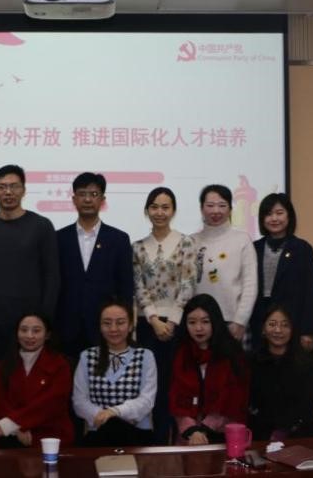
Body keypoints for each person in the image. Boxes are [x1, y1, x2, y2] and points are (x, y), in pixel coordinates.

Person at [0, 164, 59, 377]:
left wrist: (45, 320)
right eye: (2, 187)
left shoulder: (41, 226)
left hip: (29, 324)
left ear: (24, 190)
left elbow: (52, 276)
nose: (8, 192)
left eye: (14, 186)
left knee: (28, 381)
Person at [131, 187, 196, 444]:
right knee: (151, 386)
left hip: (177, 326)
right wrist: (153, 319)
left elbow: (188, 283)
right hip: (147, 325)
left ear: (173, 211)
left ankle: (177, 440)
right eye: (154, 207)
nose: (160, 212)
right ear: (147, 211)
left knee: (176, 383)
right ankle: (155, 442)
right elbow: (138, 286)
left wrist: (172, 320)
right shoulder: (137, 247)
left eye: (165, 207)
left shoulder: (186, 242)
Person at [56, 172, 133, 360]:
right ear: (74, 199)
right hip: (66, 328)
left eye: (94, 194)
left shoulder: (118, 239)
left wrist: (124, 325)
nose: (88, 199)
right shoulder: (58, 238)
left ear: (102, 200)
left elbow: (126, 287)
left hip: (106, 329)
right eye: (82, 194)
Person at [0, 313, 73, 448]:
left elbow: (53, 402)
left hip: (51, 435)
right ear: (16, 334)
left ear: (47, 335)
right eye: (24, 330)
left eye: (36, 331)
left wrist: (13, 423)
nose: (29, 336)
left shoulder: (60, 364)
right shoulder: (3, 366)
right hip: (11, 436)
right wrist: (16, 430)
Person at [72, 299, 157, 447]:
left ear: (131, 325)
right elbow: (79, 401)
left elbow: (147, 400)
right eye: (107, 323)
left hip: (137, 434)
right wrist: (105, 417)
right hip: (98, 432)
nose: (113, 328)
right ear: (100, 326)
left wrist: (115, 412)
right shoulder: (87, 356)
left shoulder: (146, 356)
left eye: (120, 322)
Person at [170, 294, 250, 445]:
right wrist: (193, 430)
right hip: (189, 436)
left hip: (224, 435)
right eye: (192, 322)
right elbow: (176, 400)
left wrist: (204, 429)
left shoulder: (232, 354)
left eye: (205, 322)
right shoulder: (181, 355)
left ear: (215, 321)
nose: (198, 328)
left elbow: (234, 401)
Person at [249, 193, 313, 352]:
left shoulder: (302, 249)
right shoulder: (253, 248)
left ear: (289, 216)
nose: (274, 218)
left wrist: (308, 330)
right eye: (268, 214)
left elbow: (309, 293)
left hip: (292, 322)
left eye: (279, 213)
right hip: (259, 323)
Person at [192, 184, 257, 344]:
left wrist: (240, 320)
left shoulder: (242, 240)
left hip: (232, 321)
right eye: (210, 205)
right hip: (198, 323)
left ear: (230, 209)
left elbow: (250, 284)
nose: (216, 211)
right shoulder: (191, 241)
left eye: (222, 205)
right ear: (201, 208)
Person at [248, 304, 313, 441]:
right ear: (263, 329)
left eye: (285, 325)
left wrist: (286, 429)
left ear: (293, 329)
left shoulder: (306, 362)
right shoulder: (252, 361)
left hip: (299, 432)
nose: (278, 330)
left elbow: (308, 403)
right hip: (261, 432)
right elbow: (251, 403)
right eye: (272, 324)